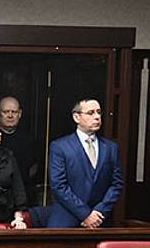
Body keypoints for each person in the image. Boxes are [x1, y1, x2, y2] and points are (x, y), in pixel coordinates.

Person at [46, 98, 123, 229]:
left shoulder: (110, 148)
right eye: (91, 113)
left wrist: (100, 211)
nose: (97, 117)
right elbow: (58, 186)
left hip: (100, 222)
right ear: (76, 117)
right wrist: (85, 214)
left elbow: (116, 184)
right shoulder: (60, 147)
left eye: (99, 112)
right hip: (66, 223)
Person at [0, 95, 38, 191]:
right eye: (6, 112)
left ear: (20, 114)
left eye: (14, 112)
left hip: (24, 190)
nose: (10, 115)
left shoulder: (28, 140)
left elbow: (34, 166)